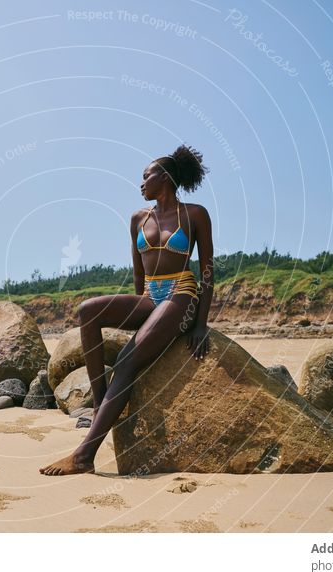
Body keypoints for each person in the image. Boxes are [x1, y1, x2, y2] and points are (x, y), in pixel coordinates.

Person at [39, 144, 215, 476]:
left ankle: (83, 456)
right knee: (87, 311)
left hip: (182, 292)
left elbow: (207, 270)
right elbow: (139, 274)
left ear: (164, 177)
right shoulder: (138, 218)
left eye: (146, 176)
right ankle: (102, 402)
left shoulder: (195, 214)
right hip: (151, 294)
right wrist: (143, 318)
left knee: (126, 361)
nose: (141, 183)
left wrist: (200, 324)